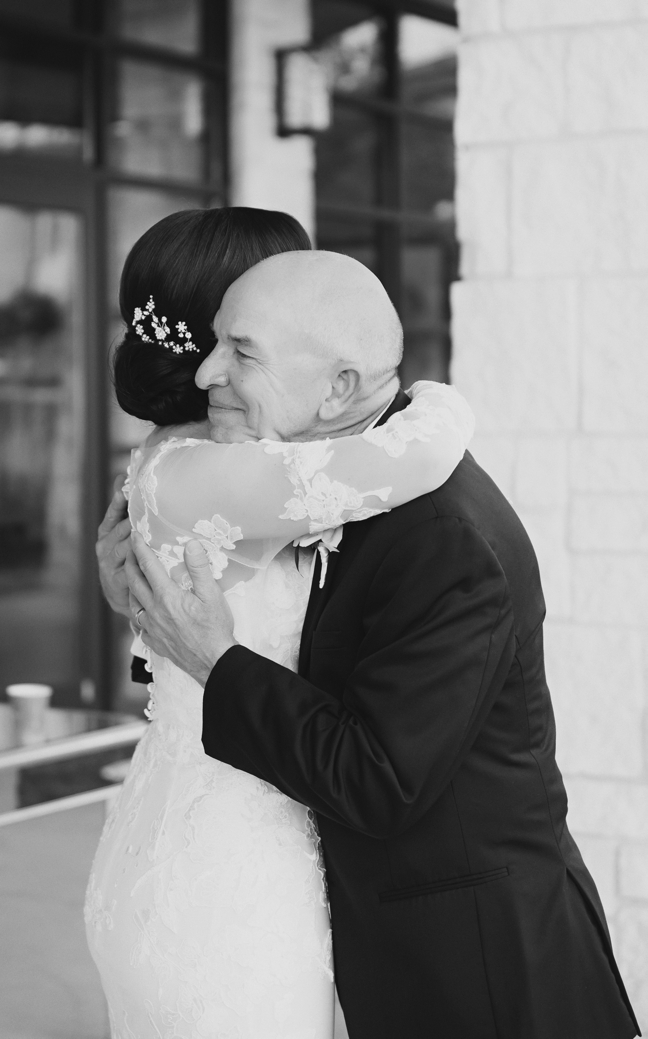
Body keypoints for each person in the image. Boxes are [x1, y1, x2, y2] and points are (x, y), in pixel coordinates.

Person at [103, 249, 639, 1037]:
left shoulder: (444, 537)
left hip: (478, 970)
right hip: (351, 929)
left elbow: (377, 776)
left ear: (340, 389)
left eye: (242, 351)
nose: (208, 371)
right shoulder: (331, 473)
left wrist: (216, 663)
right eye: (214, 341)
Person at [85, 212, 476, 1038]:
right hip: (230, 864)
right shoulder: (231, 472)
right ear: (212, 344)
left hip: (178, 825)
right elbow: (413, 456)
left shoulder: (171, 458)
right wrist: (430, 393)